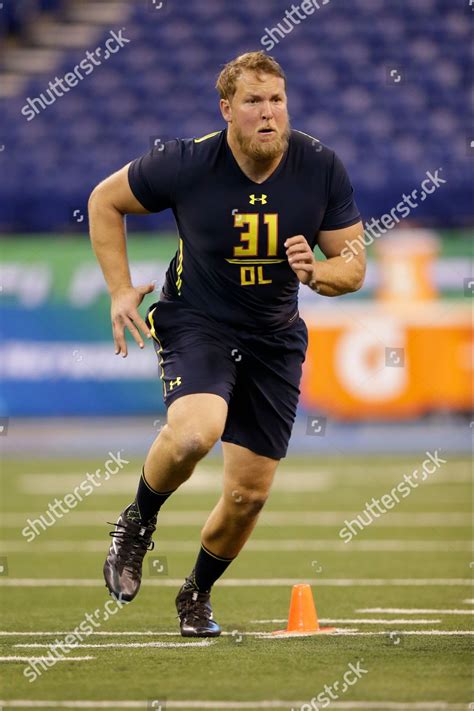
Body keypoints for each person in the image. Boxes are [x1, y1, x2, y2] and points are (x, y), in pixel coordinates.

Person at [88, 50, 365, 637]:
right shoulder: (186, 162)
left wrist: (318, 273)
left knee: (247, 498)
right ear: (227, 109)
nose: (268, 113)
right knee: (194, 432)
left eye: (277, 100)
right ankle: (137, 522)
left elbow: (354, 265)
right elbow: (104, 201)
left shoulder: (320, 166)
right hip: (199, 322)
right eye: (253, 102)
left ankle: (196, 593)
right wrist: (118, 290)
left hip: (275, 337)